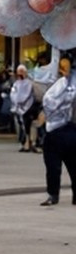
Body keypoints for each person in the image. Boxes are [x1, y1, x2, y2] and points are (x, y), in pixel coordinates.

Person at [37, 60, 76, 207]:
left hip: (59, 130)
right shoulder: (66, 84)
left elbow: (49, 102)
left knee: (56, 166)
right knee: (66, 166)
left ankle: (53, 195)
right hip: (67, 129)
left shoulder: (62, 85)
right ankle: (56, 194)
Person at [10, 63, 38, 151]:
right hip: (18, 108)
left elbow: (26, 95)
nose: (20, 74)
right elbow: (13, 94)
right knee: (21, 126)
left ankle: (30, 142)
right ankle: (24, 143)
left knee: (28, 125)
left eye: (22, 71)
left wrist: (20, 100)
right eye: (19, 72)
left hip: (28, 107)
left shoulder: (29, 83)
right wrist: (16, 101)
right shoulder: (16, 84)